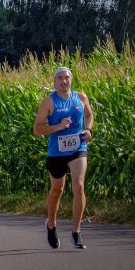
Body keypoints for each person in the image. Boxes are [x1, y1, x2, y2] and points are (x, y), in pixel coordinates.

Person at [33, 67, 94, 250]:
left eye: (66, 77)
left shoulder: (81, 97)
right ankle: (51, 225)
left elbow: (89, 114)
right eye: (59, 78)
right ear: (54, 81)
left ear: (71, 79)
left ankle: (76, 232)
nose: (63, 81)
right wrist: (57, 127)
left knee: (79, 185)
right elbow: (37, 129)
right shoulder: (48, 102)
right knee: (57, 190)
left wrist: (89, 130)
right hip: (57, 152)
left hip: (78, 148)